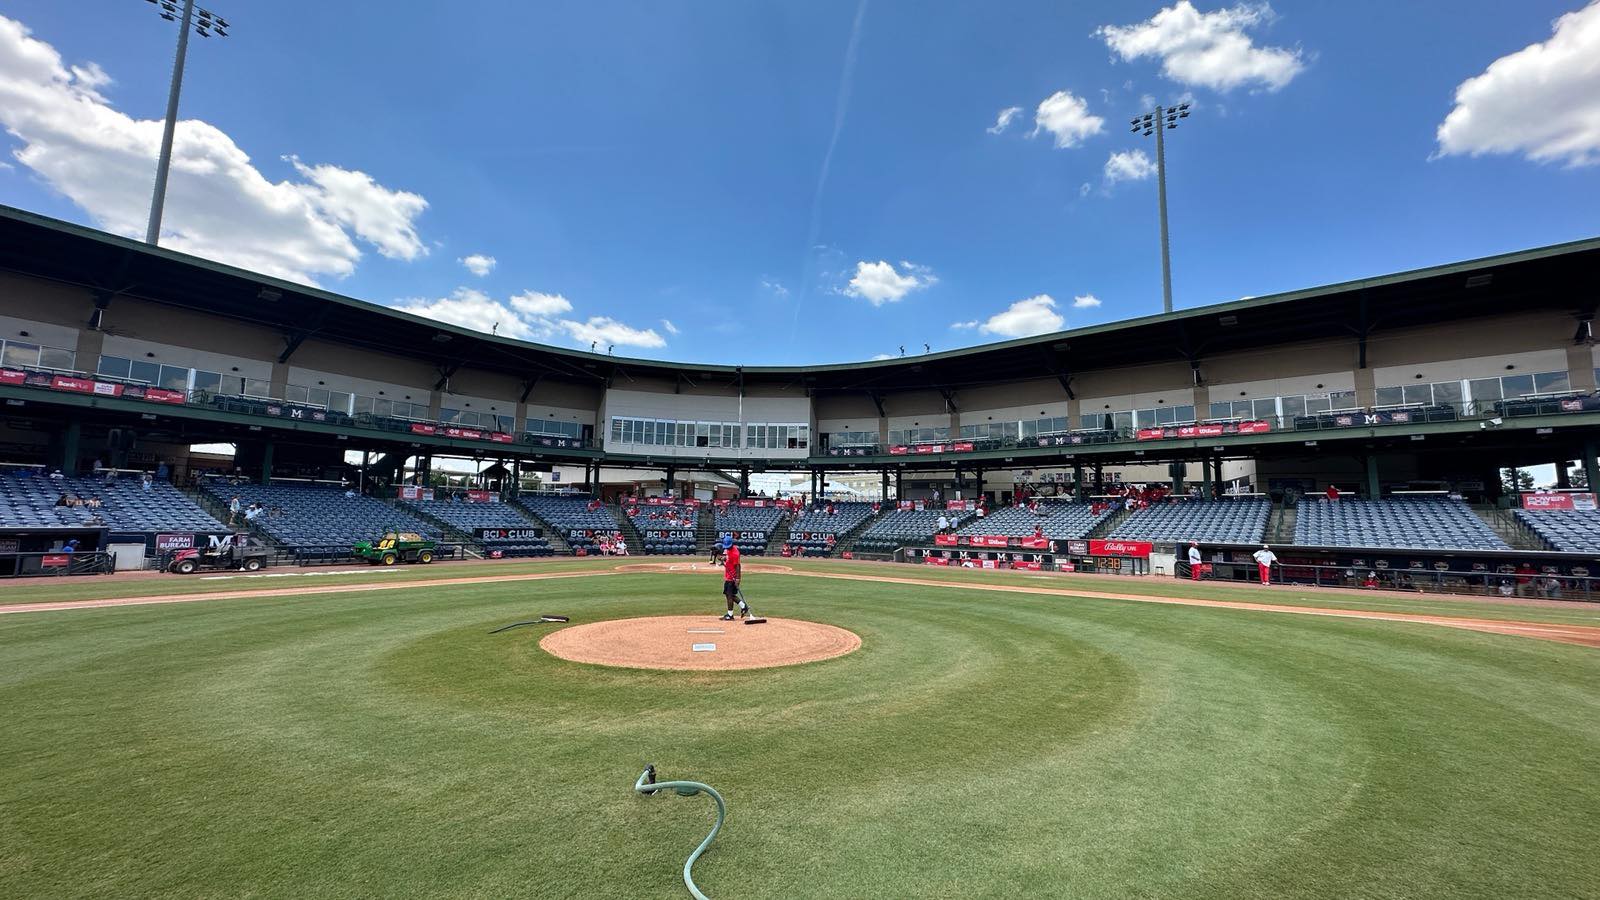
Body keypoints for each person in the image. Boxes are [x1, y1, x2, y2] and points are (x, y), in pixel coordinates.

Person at [717, 535, 750, 620]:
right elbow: (728, 558)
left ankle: (730, 615)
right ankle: (743, 606)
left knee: (729, 595)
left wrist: (738, 579)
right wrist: (723, 558)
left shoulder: (735, 553)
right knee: (730, 595)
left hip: (732, 577)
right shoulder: (728, 550)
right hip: (728, 575)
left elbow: (738, 566)